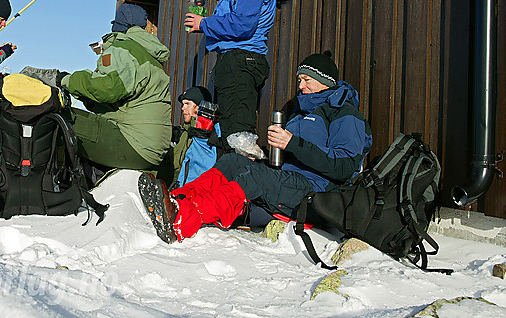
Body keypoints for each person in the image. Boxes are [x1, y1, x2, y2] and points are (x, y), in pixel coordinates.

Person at [138, 50, 373, 244]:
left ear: (324, 82)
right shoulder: (302, 113)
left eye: (306, 80)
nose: (300, 86)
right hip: (289, 180)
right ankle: (176, 198)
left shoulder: (345, 115)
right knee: (233, 161)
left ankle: (182, 218)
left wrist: (292, 143)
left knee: (252, 178)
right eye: (299, 80)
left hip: (316, 193)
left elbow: (343, 167)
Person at [24, 3, 172, 173]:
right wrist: (82, 93)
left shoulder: (124, 48)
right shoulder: (148, 55)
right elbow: (115, 103)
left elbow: (107, 88)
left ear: (120, 25)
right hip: (153, 148)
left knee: (55, 119)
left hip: (133, 143)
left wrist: (63, 79)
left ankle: (48, 184)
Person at [184, 0, 276, 150]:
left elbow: (242, 24)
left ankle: (238, 182)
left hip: (241, 61)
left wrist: (204, 23)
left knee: (237, 137)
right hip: (234, 59)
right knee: (226, 131)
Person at [169, 86, 223, 187]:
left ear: (199, 107)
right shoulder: (184, 132)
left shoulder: (206, 135)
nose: (182, 108)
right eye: (183, 104)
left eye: (187, 104)